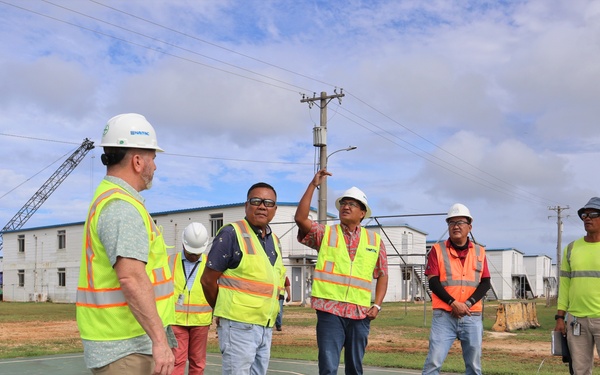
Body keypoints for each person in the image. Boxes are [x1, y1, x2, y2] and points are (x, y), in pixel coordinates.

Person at [75, 113, 176, 375]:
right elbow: (131, 278)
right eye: (153, 158)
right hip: (128, 349)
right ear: (138, 161)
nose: (155, 166)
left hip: (125, 344)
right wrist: (160, 342)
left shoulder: (111, 200)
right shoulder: (122, 207)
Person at [294, 169, 388, 375]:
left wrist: (377, 305)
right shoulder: (325, 233)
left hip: (360, 313)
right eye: (344, 203)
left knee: (355, 368)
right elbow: (300, 219)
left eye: (352, 204)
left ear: (362, 213)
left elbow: (382, 274)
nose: (346, 206)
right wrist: (313, 185)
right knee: (328, 367)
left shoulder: (375, 241)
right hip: (330, 311)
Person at [200, 182, 285, 375]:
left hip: (265, 326)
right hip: (238, 326)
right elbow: (207, 280)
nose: (262, 206)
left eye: (268, 203)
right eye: (256, 201)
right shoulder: (231, 234)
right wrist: (223, 309)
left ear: (275, 209)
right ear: (246, 205)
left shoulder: (274, 241)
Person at [422, 203, 491, 375]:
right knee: (433, 362)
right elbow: (433, 282)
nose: (456, 226)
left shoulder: (479, 251)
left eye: (460, 222)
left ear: (470, 227)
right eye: (451, 223)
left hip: (472, 315)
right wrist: (453, 303)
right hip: (444, 316)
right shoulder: (437, 250)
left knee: (474, 366)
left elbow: (485, 283)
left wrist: (467, 303)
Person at [555, 197, 600, 375]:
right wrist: (560, 317)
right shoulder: (571, 248)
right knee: (579, 370)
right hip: (576, 321)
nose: (587, 218)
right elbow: (565, 285)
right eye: (584, 215)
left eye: (593, 214)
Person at [169, 222, 213, 375]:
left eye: (197, 252)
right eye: (191, 252)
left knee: (198, 363)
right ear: (183, 243)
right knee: (175, 362)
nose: (194, 255)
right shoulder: (169, 262)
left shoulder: (211, 264)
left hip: (201, 322)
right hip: (175, 321)